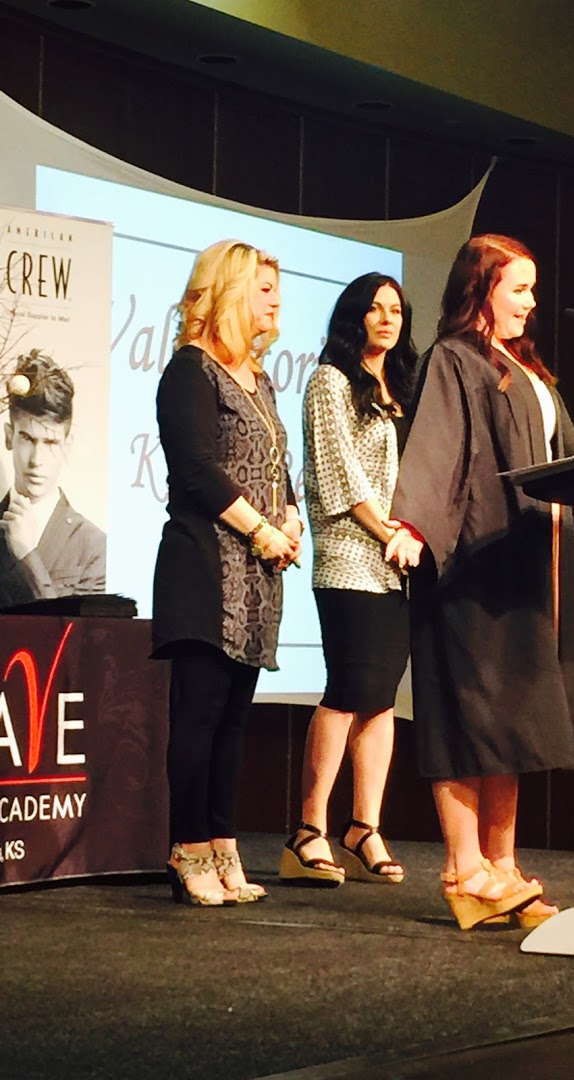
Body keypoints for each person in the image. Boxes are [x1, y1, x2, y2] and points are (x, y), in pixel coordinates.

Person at [387, 234, 574, 930]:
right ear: (482, 288)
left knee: (512, 722)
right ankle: (464, 869)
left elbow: (573, 465)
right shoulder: (454, 359)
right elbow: (436, 448)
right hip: (475, 568)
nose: (531, 302)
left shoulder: (526, 371)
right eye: (518, 289)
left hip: (527, 570)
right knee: (470, 717)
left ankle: (502, 866)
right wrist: (415, 524)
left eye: (532, 289)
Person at [152, 239, 303, 907]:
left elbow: (278, 468)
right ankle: (187, 849)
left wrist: (291, 519)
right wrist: (261, 530)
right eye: (264, 289)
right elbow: (196, 470)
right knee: (201, 715)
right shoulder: (191, 370)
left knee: (235, 720)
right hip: (204, 568)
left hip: (259, 576)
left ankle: (223, 846)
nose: (276, 301)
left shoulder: (260, 380)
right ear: (230, 291)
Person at [280, 273, 417, 887]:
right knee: (347, 688)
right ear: (353, 316)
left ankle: (365, 826)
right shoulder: (329, 380)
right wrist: (386, 530)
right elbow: (337, 471)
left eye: (396, 310)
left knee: (382, 696)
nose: (386, 319)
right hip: (349, 556)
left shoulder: (403, 387)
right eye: (374, 309)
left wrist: (410, 533)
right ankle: (309, 828)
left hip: (398, 564)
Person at [0, 350, 106, 609]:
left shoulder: (93, 545)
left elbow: (73, 630)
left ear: (67, 445)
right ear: (9, 436)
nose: (37, 460)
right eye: (28, 439)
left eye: (50, 442)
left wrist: (27, 555)